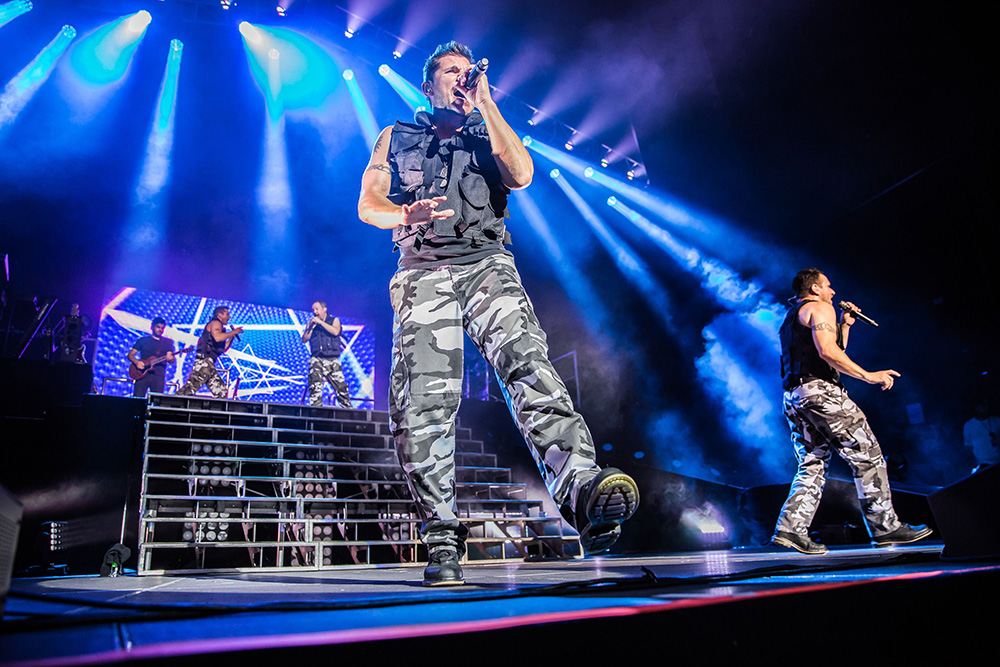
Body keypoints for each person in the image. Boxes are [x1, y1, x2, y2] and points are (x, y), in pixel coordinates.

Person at [358, 41, 639, 586]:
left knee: (529, 366)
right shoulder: (396, 136)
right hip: (422, 272)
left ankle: (581, 487)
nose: (463, 79)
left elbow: (522, 174)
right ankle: (441, 536)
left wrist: (486, 104)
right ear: (428, 84)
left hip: (488, 264)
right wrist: (401, 212)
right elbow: (368, 203)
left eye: (471, 73)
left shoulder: (487, 129)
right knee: (423, 400)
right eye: (453, 73)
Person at [772, 268, 932, 554]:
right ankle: (885, 526)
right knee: (867, 454)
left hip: (795, 396)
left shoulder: (792, 317)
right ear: (815, 289)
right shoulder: (820, 307)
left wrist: (845, 325)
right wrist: (870, 376)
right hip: (822, 394)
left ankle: (791, 529)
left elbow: (831, 349)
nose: (833, 292)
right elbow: (828, 353)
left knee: (813, 463)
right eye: (828, 286)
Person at [177, 306, 243, 398]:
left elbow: (223, 348)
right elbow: (217, 337)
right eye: (227, 314)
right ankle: (168, 405)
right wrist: (233, 332)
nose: (229, 317)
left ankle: (216, 411)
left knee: (221, 392)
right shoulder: (216, 323)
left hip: (210, 364)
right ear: (219, 315)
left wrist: (232, 336)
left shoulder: (220, 328)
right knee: (189, 389)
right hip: (204, 362)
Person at [302, 301, 352, 408]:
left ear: (324, 309)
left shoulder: (334, 321)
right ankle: (316, 411)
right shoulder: (313, 324)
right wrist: (311, 326)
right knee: (315, 386)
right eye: (313, 310)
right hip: (317, 359)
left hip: (332, 360)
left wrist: (321, 323)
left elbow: (335, 331)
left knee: (341, 389)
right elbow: (304, 339)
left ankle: (350, 412)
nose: (315, 312)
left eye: (317, 309)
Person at [127, 318, 175, 397]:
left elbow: (171, 359)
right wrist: (137, 362)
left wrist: (171, 359)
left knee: (156, 400)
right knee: (138, 399)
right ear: (152, 327)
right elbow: (130, 355)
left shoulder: (167, 342)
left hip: (158, 375)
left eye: (162, 328)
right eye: (158, 327)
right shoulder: (142, 340)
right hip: (142, 374)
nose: (160, 330)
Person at [963, 398, 999, 471]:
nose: (986, 408)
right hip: (982, 466)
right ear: (977, 408)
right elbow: (968, 447)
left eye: (987, 405)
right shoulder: (969, 425)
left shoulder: (998, 421)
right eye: (983, 406)